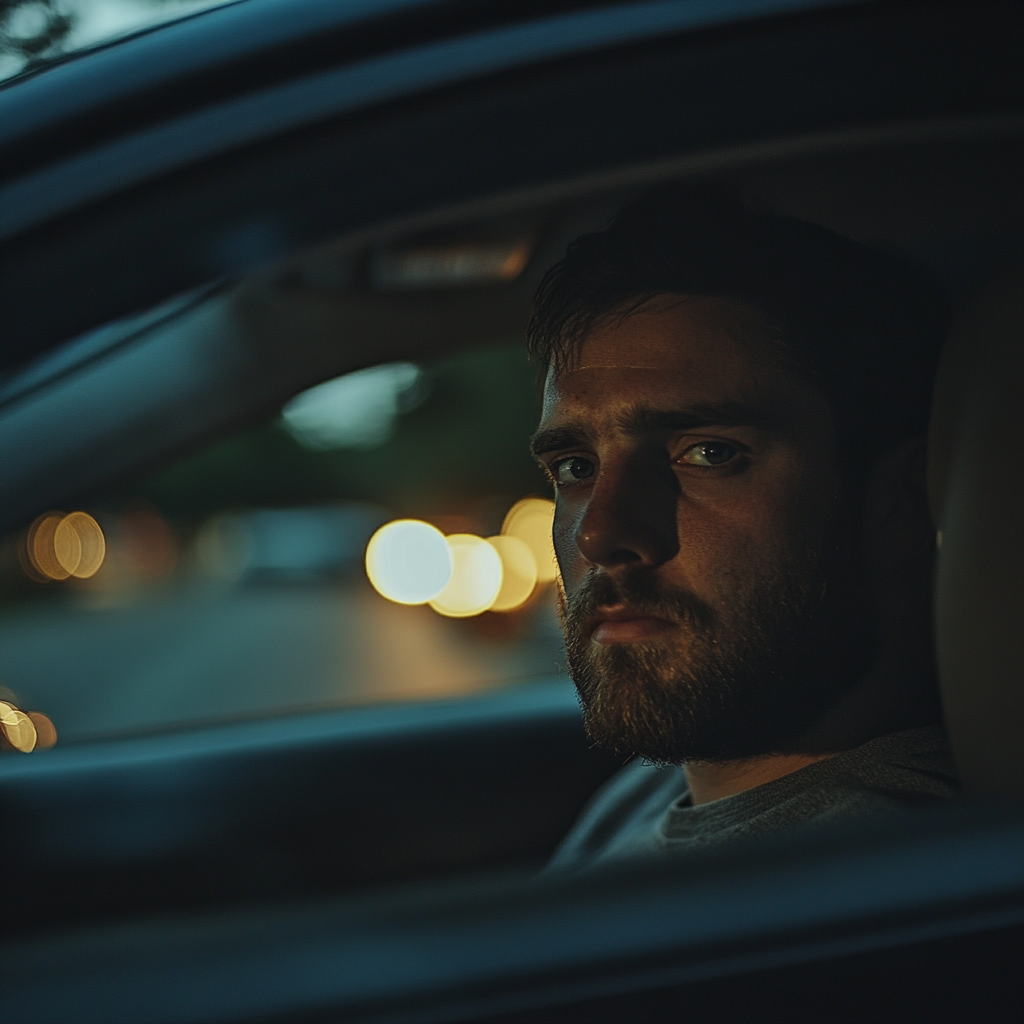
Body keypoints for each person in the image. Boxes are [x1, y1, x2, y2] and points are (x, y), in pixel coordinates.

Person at [527, 188, 959, 868]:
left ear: (902, 498)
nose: (600, 534)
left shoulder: (878, 887)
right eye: (577, 465)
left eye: (708, 453)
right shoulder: (659, 787)